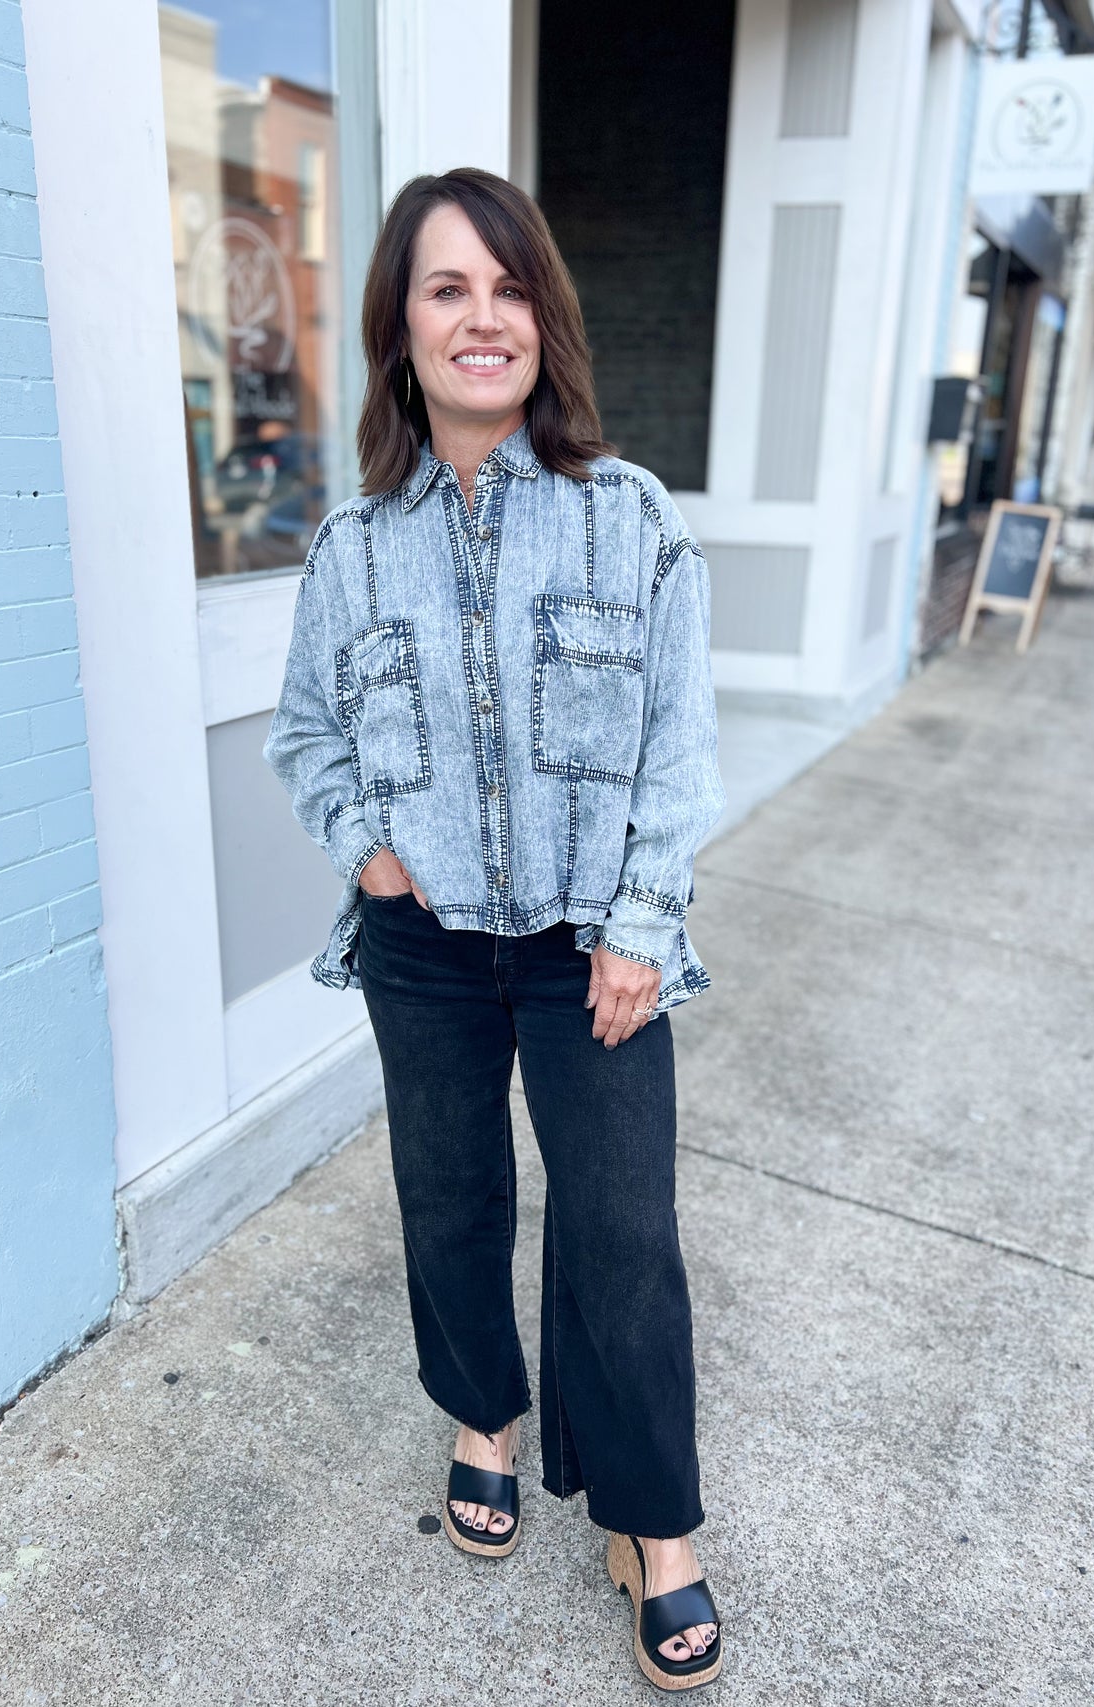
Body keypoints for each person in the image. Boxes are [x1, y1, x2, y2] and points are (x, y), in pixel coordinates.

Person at [263, 166, 726, 1693]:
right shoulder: (352, 550)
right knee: (448, 1199)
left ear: (546, 320)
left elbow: (674, 746)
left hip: (597, 946)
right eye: (447, 288)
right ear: (403, 326)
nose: (483, 318)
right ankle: (486, 1419)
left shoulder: (629, 519)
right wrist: (369, 851)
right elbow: (308, 737)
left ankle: (656, 1523)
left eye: (509, 287)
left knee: (623, 1234)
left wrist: (643, 922)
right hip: (429, 949)